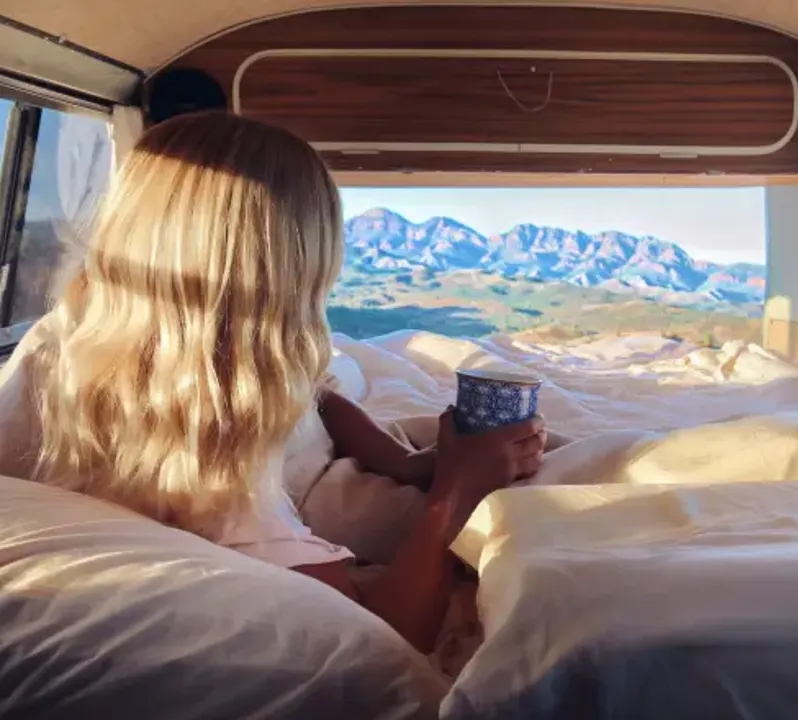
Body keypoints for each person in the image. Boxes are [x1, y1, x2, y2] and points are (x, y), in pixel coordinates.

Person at [0, 111, 546, 655]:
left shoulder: (64, 340)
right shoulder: (211, 471)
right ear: (287, 286)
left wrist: (397, 459)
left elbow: (317, 389)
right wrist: (454, 493)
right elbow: (388, 637)